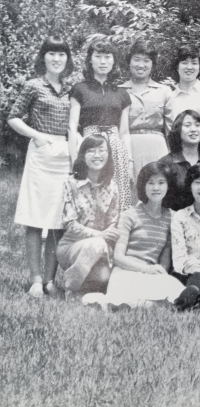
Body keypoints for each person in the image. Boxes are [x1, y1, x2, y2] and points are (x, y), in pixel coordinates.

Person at [7, 37, 74, 298]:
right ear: (43, 57)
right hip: (40, 154)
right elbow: (13, 117)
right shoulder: (34, 85)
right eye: (51, 53)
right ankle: (35, 279)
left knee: (58, 221)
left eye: (61, 54)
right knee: (35, 219)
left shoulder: (71, 88)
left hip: (64, 157)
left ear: (67, 59)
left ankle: (49, 281)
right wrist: (37, 135)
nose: (56, 59)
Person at [104, 162, 185, 308]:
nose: (156, 188)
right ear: (143, 186)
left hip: (151, 274)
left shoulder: (172, 217)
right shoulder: (129, 215)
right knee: (160, 303)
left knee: (179, 294)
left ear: (168, 186)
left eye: (161, 183)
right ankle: (120, 302)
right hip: (126, 272)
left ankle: (129, 303)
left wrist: (160, 272)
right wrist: (146, 269)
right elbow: (118, 257)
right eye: (151, 183)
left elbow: (165, 255)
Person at [69, 36, 133, 212]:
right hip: (89, 145)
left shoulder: (122, 94)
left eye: (107, 57)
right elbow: (72, 127)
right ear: (90, 60)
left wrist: (129, 161)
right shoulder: (80, 89)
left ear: (114, 61)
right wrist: (74, 158)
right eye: (98, 56)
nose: (103, 62)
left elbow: (124, 132)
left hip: (115, 147)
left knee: (117, 196)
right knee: (89, 194)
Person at [56, 134, 119, 297]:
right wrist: (100, 235)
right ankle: (71, 288)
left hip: (103, 246)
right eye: (91, 151)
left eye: (102, 150)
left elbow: (113, 221)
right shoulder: (71, 183)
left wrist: (107, 237)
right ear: (83, 155)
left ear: (108, 155)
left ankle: (92, 286)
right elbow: (70, 224)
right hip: (72, 246)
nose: (97, 155)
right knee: (96, 244)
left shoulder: (112, 186)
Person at [120, 39, 171, 179]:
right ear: (129, 62)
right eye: (136, 59)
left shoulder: (164, 91)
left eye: (146, 60)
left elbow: (171, 130)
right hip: (129, 149)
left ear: (152, 64)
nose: (141, 65)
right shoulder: (119, 91)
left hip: (158, 149)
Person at [158, 110, 200, 211]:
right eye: (187, 125)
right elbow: (159, 199)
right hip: (175, 217)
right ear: (177, 130)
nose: (193, 129)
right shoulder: (166, 162)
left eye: (198, 125)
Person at [164, 45, 200, 137]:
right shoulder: (169, 97)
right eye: (184, 63)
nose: (189, 67)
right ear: (177, 66)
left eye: (194, 63)